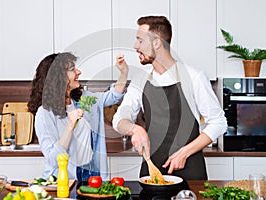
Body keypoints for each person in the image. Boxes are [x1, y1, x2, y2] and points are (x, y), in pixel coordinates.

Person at [112, 16, 227, 180]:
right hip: (152, 172)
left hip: (190, 172)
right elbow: (119, 119)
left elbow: (219, 122)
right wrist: (135, 129)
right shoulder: (141, 80)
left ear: (157, 43)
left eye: (140, 41)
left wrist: (184, 152)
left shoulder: (194, 77)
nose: (135, 46)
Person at [28, 52, 128, 181]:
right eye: (72, 69)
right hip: (62, 180)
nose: (78, 72)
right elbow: (53, 159)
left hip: (91, 176)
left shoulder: (83, 99)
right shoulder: (45, 113)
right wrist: (70, 126)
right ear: (58, 77)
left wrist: (124, 73)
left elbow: (113, 96)